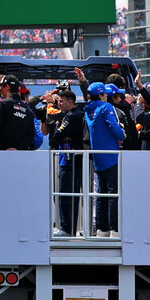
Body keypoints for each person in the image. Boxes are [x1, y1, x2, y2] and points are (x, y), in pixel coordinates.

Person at [84, 83, 126, 236]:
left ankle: (102, 228)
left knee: (101, 193)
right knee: (113, 192)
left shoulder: (88, 110)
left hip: (98, 157)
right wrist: (122, 133)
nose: (107, 96)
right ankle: (114, 229)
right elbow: (114, 127)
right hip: (110, 156)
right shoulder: (105, 107)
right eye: (105, 94)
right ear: (101, 95)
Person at [46, 86, 87, 234]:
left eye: (61, 101)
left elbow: (56, 137)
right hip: (69, 159)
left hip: (70, 161)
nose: (59, 104)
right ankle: (68, 227)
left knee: (67, 195)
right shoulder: (70, 114)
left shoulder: (73, 115)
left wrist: (62, 135)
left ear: (70, 102)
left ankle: (67, 228)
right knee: (67, 195)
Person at [0, 75, 44, 150]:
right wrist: (18, 149)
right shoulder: (27, 108)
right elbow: (31, 134)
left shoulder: (1, 104)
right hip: (20, 155)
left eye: (2, 86)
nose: (0, 89)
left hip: (0, 153)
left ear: (7, 87)